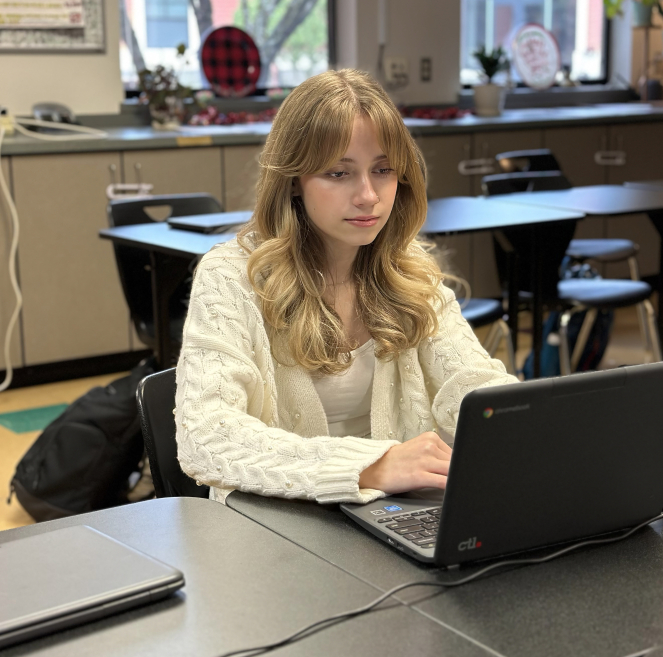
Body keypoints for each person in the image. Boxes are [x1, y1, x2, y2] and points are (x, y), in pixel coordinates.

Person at [174, 69, 519, 505]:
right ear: (293, 181)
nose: (369, 196)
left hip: (391, 513)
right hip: (274, 526)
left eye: (383, 170)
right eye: (339, 173)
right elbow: (205, 437)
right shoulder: (231, 276)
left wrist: (525, 426)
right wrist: (372, 466)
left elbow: (471, 385)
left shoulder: (409, 269)